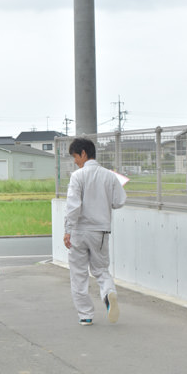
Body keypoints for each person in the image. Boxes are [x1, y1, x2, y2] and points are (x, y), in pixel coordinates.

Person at [63, 137, 126, 325]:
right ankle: (109, 293)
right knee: (100, 270)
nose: (75, 161)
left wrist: (67, 230)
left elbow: (73, 207)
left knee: (78, 274)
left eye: (75, 156)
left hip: (79, 231)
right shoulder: (110, 175)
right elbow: (119, 201)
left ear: (83, 153)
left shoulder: (77, 176)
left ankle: (86, 315)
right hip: (100, 231)